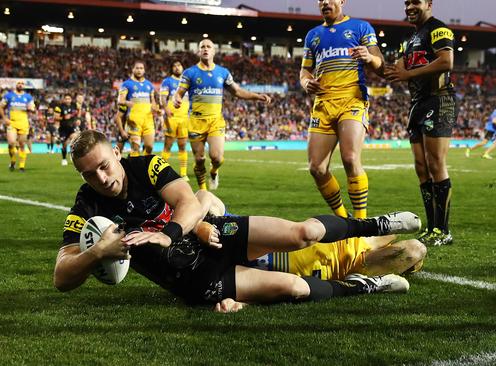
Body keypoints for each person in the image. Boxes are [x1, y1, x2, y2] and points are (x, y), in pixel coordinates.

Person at [53, 130, 420, 313]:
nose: (101, 178)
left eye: (104, 166)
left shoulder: (146, 165)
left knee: (304, 232)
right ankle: (364, 287)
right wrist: (96, 252)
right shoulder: (86, 204)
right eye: (89, 174)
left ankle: (377, 225)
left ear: (116, 153)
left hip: (216, 235)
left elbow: (188, 200)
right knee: (294, 288)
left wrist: (169, 234)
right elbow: (62, 275)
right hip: (196, 278)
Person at [197, 192, 427, 279]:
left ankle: (375, 225)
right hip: (346, 266)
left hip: (335, 236)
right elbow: (251, 290)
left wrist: (199, 225)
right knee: (416, 249)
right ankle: (374, 281)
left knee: (403, 229)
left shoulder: (224, 226)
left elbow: (205, 195)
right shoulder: (219, 273)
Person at [300, 0, 384, 219]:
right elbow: (304, 72)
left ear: (342, 1)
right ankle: (343, 218)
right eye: (321, 0)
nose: (325, 2)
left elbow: (381, 64)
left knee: (349, 157)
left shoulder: (361, 27)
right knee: (316, 168)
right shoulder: (313, 35)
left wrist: (369, 57)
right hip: (323, 104)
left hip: (351, 100)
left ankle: (360, 221)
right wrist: (306, 83)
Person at [384, 0, 456, 246]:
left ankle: (443, 230)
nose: (409, 7)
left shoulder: (439, 29)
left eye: (415, 2)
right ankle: (432, 226)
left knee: (436, 163)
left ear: (428, 4)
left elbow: (446, 62)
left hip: (439, 100)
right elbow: (395, 71)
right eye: (406, 3)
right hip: (418, 104)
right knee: (421, 167)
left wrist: (409, 74)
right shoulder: (410, 40)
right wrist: (368, 57)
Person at [173, 39, 271, 190]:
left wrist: (257, 96)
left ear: (214, 51)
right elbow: (179, 93)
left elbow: (237, 91)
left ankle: (214, 171)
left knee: (216, 157)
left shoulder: (222, 73)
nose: (205, 49)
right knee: (199, 159)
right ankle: (203, 190)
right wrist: (177, 99)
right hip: (195, 121)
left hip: (215, 121)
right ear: (199, 51)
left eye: (208, 47)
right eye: (202, 47)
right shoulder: (190, 73)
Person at [118, 60, 158, 157]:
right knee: (135, 148)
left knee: (149, 147)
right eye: (137, 68)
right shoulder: (126, 84)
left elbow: (153, 101)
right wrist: (127, 102)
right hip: (134, 120)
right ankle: (135, 170)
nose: (139, 70)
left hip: (148, 120)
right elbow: (120, 100)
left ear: (144, 70)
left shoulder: (149, 85)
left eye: (141, 68)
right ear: (133, 69)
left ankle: (143, 166)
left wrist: (156, 108)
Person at [160, 60, 190, 181]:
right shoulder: (167, 81)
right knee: (168, 145)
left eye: (179, 65)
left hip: (184, 118)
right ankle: (161, 171)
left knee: (182, 146)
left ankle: (183, 173)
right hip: (172, 117)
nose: (177, 68)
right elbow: (162, 97)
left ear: (182, 67)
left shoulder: (187, 81)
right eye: (174, 66)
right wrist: (166, 108)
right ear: (172, 68)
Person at [0, 80, 35, 172]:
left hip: (24, 123)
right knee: (11, 142)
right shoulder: (8, 95)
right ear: (15, 85)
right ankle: (13, 160)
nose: (20, 85)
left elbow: (33, 109)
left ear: (24, 86)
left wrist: (31, 109)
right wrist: (4, 118)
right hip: (12, 122)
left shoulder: (28, 97)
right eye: (19, 83)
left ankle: (22, 167)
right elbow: (1, 107)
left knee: (22, 144)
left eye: (22, 84)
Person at [54, 93, 79, 166]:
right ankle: (64, 159)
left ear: (71, 99)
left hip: (72, 128)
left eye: (69, 99)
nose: (68, 100)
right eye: (66, 99)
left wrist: (77, 119)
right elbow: (55, 117)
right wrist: (64, 117)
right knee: (64, 145)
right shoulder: (59, 107)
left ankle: (74, 156)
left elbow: (76, 113)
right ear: (64, 100)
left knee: (75, 140)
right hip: (63, 129)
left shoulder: (74, 105)